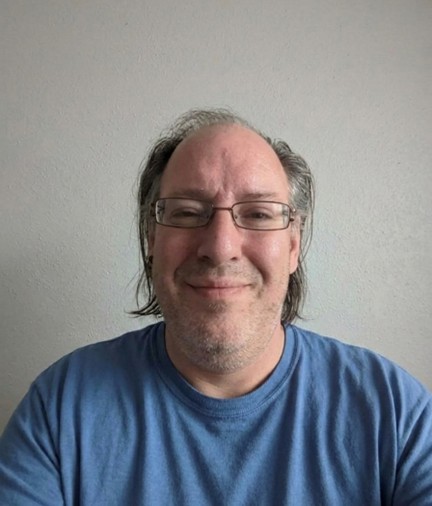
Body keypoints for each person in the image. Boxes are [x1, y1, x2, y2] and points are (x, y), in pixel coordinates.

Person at [0, 109, 431, 505]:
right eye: (187, 213)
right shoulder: (61, 409)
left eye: (259, 214)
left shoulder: (395, 414)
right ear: (151, 238)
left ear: (293, 245)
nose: (221, 247)